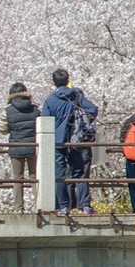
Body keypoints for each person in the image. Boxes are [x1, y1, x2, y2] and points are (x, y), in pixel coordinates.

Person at [40, 68, 99, 215]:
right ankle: (85, 206)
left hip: (58, 142)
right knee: (79, 173)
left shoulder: (50, 100)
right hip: (76, 140)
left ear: (54, 82)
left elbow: (44, 121)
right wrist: (81, 121)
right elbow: (93, 109)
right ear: (68, 80)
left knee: (59, 175)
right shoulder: (76, 96)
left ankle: (64, 207)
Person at [0, 82, 39, 212]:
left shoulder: (7, 111)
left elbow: (3, 130)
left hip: (16, 146)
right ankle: (40, 204)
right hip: (33, 146)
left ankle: (18, 207)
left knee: (18, 178)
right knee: (35, 177)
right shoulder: (36, 109)